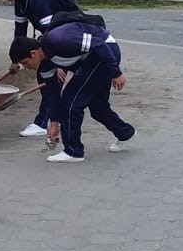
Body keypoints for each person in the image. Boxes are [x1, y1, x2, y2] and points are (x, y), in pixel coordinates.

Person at [8, 21, 134, 163]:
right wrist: (54, 122)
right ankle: (125, 133)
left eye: (25, 63)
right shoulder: (44, 65)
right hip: (90, 60)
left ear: (33, 53)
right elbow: (53, 93)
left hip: (105, 51)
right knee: (97, 107)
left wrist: (116, 73)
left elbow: (99, 44)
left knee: (70, 102)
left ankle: (73, 151)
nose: (26, 67)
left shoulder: (59, 40)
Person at [0, 0, 82, 138]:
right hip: (55, 38)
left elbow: (52, 31)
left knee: (50, 77)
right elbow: (20, 33)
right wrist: (16, 60)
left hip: (68, 39)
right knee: (46, 75)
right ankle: (52, 119)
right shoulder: (20, 2)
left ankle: (43, 123)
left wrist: (58, 64)